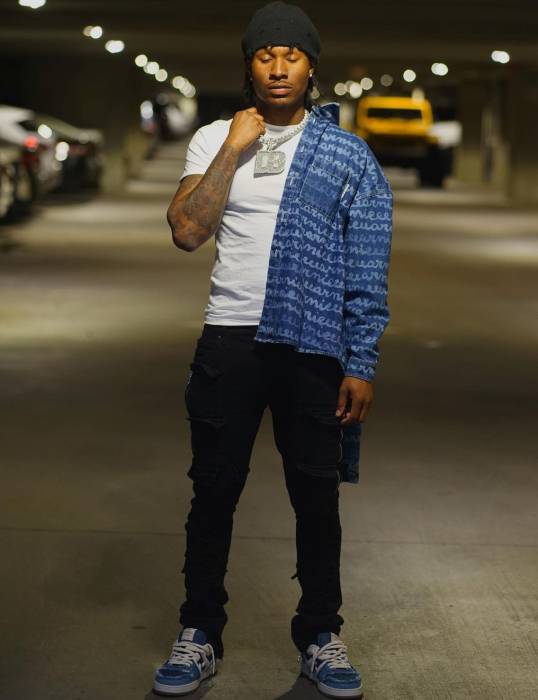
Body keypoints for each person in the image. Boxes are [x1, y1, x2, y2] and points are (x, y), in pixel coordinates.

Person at [153, 1, 393, 697]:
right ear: (249, 66)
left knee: (316, 496)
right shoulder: (214, 138)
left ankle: (320, 633)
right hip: (230, 338)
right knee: (213, 491)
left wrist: (361, 360)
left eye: (292, 55)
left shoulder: (347, 153)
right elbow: (187, 231)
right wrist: (233, 149)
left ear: (312, 66)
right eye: (265, 55)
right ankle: (199, 630)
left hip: (312, 347)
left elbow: (367, 262)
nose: (278, 67)